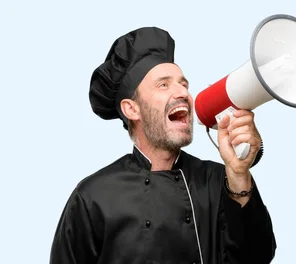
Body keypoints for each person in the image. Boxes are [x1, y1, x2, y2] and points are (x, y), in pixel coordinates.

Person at [49, 27, 276, 264]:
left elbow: (257, 256)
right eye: (164, 85)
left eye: (183, 84)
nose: (183, 93)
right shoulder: (92, 196)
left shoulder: (219, 180)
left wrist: (239, 173)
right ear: (132, 109)